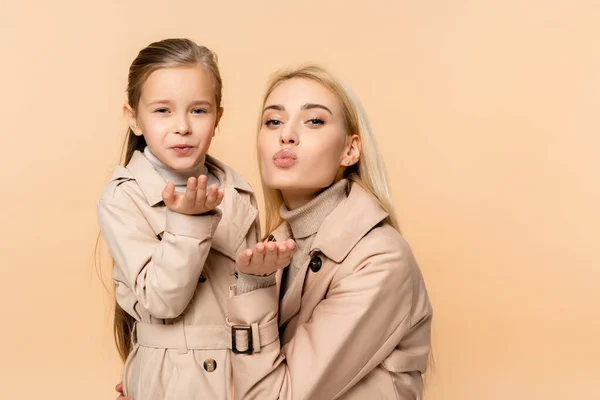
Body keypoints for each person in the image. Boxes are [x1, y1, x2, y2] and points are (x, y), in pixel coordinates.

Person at [98, 38, 295, 400]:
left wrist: (261, 276)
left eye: (199, 111)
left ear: (218, 117)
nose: (183, 127)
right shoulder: (124, 197)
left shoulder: (238, 190)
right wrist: (187, 224)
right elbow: (162, 302)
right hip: (173, 380)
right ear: (134, 119)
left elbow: (247, 300)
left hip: (245, 373)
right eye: (163, 111)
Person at [228, 65, 433, 399]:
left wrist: (253, 286)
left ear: (349, 150)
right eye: (273, 121)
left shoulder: (380, 259)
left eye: (314, 121)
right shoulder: (269, 249)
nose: (287, 135)